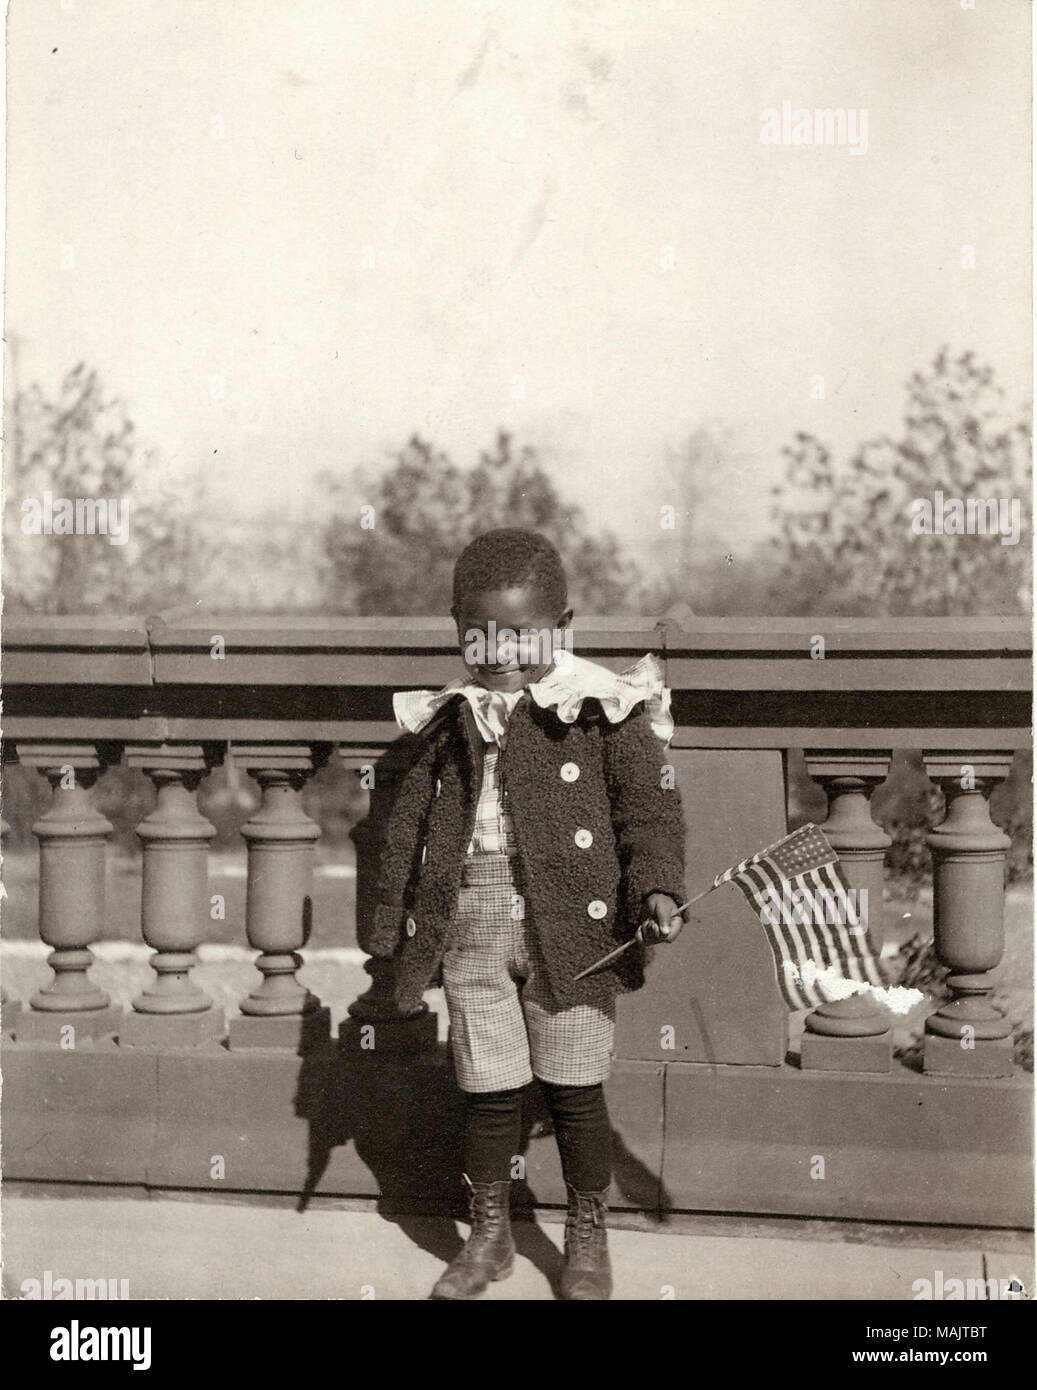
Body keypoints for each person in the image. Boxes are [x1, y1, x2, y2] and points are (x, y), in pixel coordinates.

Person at [369, 527, 687, 1300]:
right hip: (468, 921)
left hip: (571, 930)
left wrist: (656, 889)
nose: (502, 650)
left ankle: (585, 1233)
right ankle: (489, 1234)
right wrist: (389, 927)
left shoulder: (601, 712)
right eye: (481, 634)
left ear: (563, 625)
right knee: (487, 1090)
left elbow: (648, 813)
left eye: (523, 632)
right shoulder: (449, 721)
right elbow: (408, 827)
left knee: (575, 1091)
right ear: (458, 631)